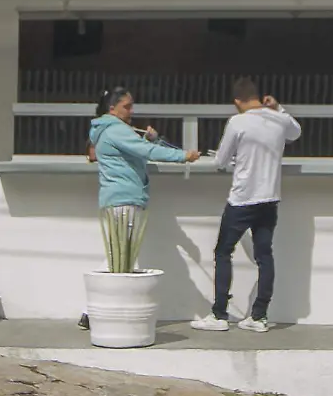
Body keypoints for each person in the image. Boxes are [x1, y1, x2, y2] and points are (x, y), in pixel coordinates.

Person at [80, 88, 197, 329]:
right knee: (120, 258)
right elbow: (147, 152)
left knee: (120, 256)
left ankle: (93, 312)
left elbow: (140, 150)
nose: (132, 111)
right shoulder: (116, 130)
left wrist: (152, 140)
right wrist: (182, 156)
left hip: (119, 198)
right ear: (112, 108)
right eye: (127, 106)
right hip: (125, 198)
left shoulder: (108, 130)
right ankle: (92, 311)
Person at [191, 78, 300, 333]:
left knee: (222, 252)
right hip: (270, 198)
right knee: (264, 256)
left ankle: (219, 314)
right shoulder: (278, 119)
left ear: (237, 101)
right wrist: (279, 108)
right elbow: (296, 132)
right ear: (259, 97)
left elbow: (220, 160)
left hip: (242, 199)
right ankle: (259, 316)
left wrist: (234, 161)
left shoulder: (237, 122)